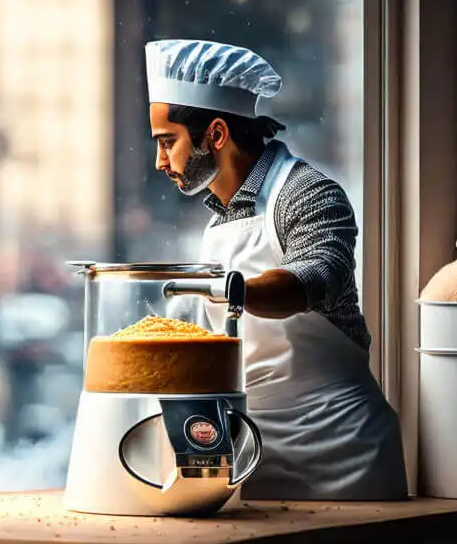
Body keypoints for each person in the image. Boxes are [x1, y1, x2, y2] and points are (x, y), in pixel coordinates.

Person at [146, 38, 408, 501]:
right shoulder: (217, 220)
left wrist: (220, 289)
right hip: (253, 455)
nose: (160, 161)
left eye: (168, 142)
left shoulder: (308, 193)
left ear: (217, 134)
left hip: (343, 451)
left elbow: (309, 279)